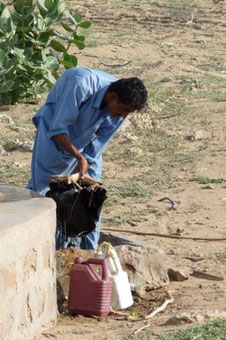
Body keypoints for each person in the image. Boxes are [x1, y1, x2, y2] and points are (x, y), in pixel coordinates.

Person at [27, 67, 148, 250]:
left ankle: (89, 254)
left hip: (85, 141)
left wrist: (86, 160)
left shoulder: (121, 107)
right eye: (123, 110)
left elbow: (100, 140)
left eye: (128, 113)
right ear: (112, 97)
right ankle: (46, 248)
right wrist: (78, 156)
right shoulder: (81, 84)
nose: (124, 117)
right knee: (47, 192)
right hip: (53, 136)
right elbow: (58, 129)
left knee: (91, 197)